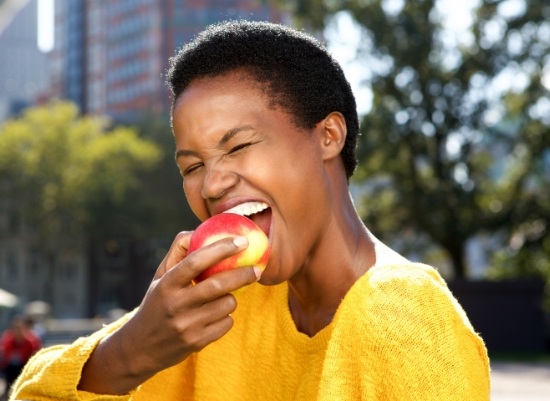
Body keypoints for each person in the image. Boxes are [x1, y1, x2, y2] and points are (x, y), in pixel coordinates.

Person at [11, 20, 490, 400]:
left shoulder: (403, 315)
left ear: (328, 136)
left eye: (238, 145)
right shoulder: (220, 305)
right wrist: (130, 351)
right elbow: (32, 394)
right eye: (192, 165)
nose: (213, 183)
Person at [0, 316, 41, 398]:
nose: (17, 331)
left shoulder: (31, 341)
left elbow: (35, 355)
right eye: (15, 328)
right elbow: (4, 355)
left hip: (24, 366)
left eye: (19, 328)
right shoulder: (8, 340)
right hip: (10, 368)